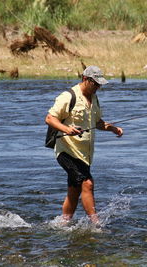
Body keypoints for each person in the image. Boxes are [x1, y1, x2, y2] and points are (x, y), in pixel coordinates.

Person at [45, 66, 123, 224]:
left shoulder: (94, 98)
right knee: (87, 183)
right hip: (66, 150)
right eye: (95, 84)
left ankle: (63, 223)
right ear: (85, 79)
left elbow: (98, 123)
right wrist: (67, 129)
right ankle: (96, 224)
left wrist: (113, 129)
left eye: (100, 84)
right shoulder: (68, 96)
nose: (98, 87)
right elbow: (50, 118)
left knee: (74, 190)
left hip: (84, 155)